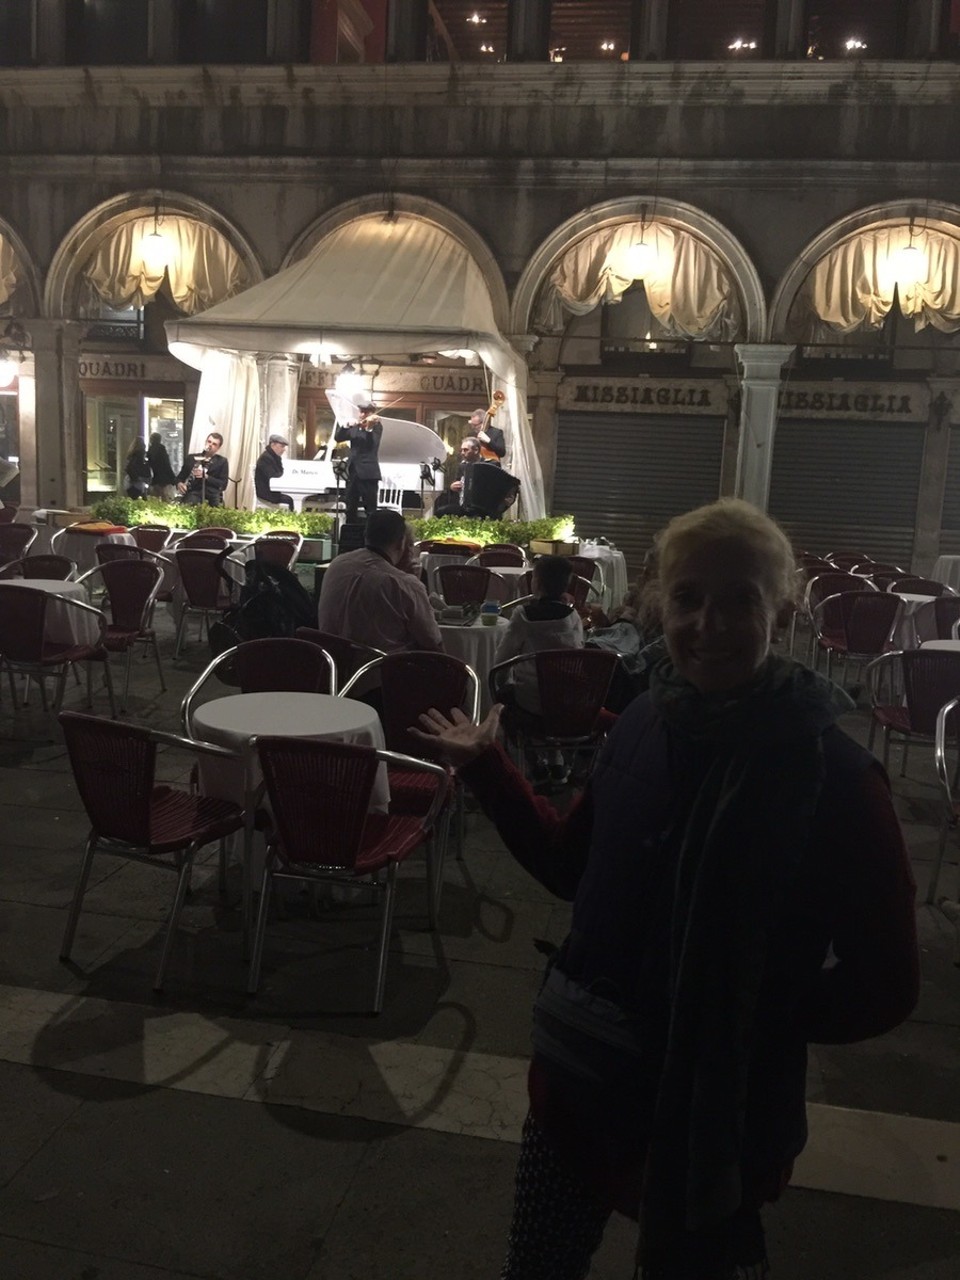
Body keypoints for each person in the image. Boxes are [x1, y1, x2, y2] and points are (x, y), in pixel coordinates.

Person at [412, 498, 919, 1280]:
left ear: (779, 610)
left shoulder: (839, 778)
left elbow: (884, 985)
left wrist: (743, 1012)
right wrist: (489, 769)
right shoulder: (645, 720)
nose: (707, 626)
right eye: (687, 599)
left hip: (724, 1111)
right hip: (583, 1084)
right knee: (540, 1262)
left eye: (737, 600)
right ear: (658, 604)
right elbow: (570, 868)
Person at [317, 509, 442, 654]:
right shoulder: (404, 584)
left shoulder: (337, 564)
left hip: (333, 666)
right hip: (382, 671)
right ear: (401, 542)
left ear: (366, 536)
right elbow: (433, 643)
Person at [334, 401, 382, 523]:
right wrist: (346, 426)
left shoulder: (376, 426)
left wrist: (369, 428)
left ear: (372, 413)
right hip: (353, 472)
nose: (362, 415)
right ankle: (349, 535)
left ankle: (370, 538)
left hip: (368, 473)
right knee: (350, 507)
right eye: (361, 412)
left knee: (370, 509)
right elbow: (338, 438)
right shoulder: (356, 426)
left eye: (366, 412)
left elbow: (372, 444)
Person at [176, 430, 229, 506]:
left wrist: (207, 477)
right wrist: (179, 483)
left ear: (218, 448)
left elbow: (223, 485)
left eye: (214, 444)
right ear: (205, 442)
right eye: (209, 442)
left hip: (212, 496)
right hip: (193, 493)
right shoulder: (192, 458)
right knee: (188, 505)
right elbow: (180, 477)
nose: (210, 445)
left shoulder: (222, 461)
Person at [254, 433, 294, 510]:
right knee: (290, 499)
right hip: (266, 493)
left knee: (291, 497)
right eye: (282, 446)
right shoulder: (266, 458)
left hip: (270, 490)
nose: (284, 449)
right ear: (273, 445)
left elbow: (279, 473)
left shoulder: (274, 457)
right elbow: (273, 476)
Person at [147, 431, 177, 500]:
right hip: (165, 479)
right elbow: (166, 465)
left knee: (156, 497)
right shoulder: (161, 449)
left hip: (156, 479)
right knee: (166, 498)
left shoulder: (150, 450)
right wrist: (173, 478)